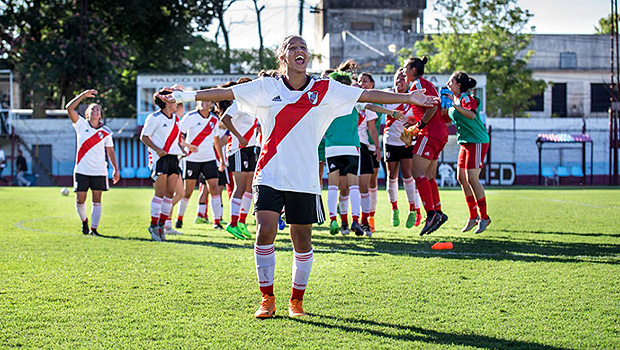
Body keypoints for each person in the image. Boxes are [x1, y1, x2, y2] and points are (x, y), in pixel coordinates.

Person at [163, 35, 438, 319]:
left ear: (308, 57)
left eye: (303, 48)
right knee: (265, 229)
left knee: (302, 238)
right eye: (292, 48)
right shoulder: (266, 87)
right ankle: (267, 298)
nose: (299, 51)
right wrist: (184, 96)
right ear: (283, 57)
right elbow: (225, 93)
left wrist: (408, 98)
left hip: (304, 177)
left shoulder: (325, 88)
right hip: (269, 172)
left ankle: (296, 301)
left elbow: (366, 96)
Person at [402, 57, 450, 236]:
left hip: (429, 134)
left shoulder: (417, 85)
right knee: (428, 175)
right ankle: (437, 211)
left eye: (406, 67)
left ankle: (431, 214)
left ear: (413, 69)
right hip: (439, 133)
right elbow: (431, 108)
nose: (403, 70)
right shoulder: (425, 83)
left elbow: (432, 107)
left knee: (417, 173)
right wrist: (414, 122)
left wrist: (418, 126)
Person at [140, 88, 194, 242]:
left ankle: (162, 226)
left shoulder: (176, 119)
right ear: (165, 101)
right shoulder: (154, 117)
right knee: (160, 193)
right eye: (172, 98)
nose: (176, 101)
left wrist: (183, 149)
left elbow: (177, 139)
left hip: (173, 159)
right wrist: (157, 149)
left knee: (170, 194)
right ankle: (153, 225)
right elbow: (144, 137)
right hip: (160, 159)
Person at [65, 89, 120, 236]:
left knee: (97, 200)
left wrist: (116, 169)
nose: (95, 110)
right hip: (81, 170)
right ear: (87, 114)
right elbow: (69, 108)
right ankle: (84, 221)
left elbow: (110, 152)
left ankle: (94, 230)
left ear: (101, 115)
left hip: (99, 171)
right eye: (92, 109)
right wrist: (83, 95)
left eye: (98, 109)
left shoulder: (107, 132)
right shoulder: (80, 125)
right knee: (80, 200)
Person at [445, 71, 491, 233]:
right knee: (461, 178)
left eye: (451, 81)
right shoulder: (456, 100)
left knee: (472, 178)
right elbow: (448, 118)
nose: (448, 84)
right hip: (466, 142)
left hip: (477, 141)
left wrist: (454, 105)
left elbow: (471, 115)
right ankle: (473, 216)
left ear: (459, 85)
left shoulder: (465, 98)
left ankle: (484, 217)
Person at [175, 99, 227, 235]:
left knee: (215, 189)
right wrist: (187, 146)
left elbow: (216, 140)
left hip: (209, 158)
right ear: (198, 103)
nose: (206, 103)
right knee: (188, 191)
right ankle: (179, 218)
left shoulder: (214, 119)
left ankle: (217, 221)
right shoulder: (190, 117)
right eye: (203, 101)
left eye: (209, 102)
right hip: (192, 158)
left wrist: (221, 159)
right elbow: (175, 134)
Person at [220, 78, 259, 239]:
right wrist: (239, 136)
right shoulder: (238, 103)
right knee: (240, 187)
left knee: (249, 187)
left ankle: (242, 221)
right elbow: (224, 119)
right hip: (238, 149)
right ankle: (233, 223)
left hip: (250, 148)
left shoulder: (254, 104)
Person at [383, 69, 422, 228]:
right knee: (392, 175)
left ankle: (413, 209)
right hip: (390, 140)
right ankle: (394, 208)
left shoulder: (413, 98)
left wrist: (414, 126)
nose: (400, 81)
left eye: (403, 78)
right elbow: (372, 103)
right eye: (397, 78)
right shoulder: (388, 95)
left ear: (408, 81)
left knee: (408, 174)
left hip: (407, 141)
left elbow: (421, 119)